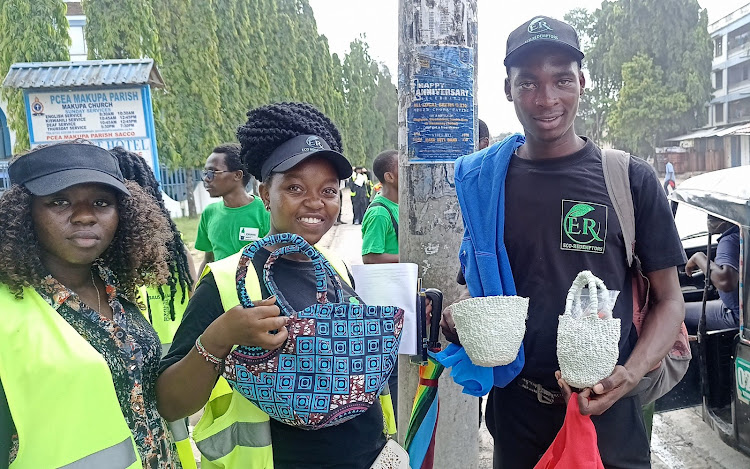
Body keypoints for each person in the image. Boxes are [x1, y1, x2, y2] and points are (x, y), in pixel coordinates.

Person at [440, 16, 686, 468]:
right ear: (508, 89)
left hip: (610, 415)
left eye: (562, 80)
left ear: (582, 83)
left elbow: (670, 299)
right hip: (518, 413)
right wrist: (458, 317)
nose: (546, 98)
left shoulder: (628, 179)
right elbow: (481, 287)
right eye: (528, 82)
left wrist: (628, 377)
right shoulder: (487, 185)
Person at [156, 102, 393, 469]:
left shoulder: (335, 267)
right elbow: (170, 402)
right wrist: (221, 336)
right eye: (296, 187)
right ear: (266, 194)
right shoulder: (225, 281)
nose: (315, 202)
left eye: (329, 190)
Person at [0, 141, 179, 468]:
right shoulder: (6, 310)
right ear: (24, 214)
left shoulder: (117, 289)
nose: (84, 216)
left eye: (101, 202)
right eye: (59, 201)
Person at [111, 147, 199, 469]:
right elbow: (192, 293)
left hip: (137, 358)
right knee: (175, 434)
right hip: (173, 354)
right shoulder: (172, 244)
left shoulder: (114, 251)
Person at [195, 143, 270, 274]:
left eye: (212, 172)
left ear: (237, 175)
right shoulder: (209, 213)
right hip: (221, 291)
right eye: (205, 173)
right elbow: (208, 260)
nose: (206, 179)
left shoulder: (265, 212)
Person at [684, 215, 740, 333]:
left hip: (738, 316)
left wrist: (698, 258)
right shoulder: (743, 234)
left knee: (675, 311)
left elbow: (726, 281)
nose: (708, 220)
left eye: (712, 216)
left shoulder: (730, 240)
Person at [362, 150, 399, 265]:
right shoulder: (379, 213)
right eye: (403, 167)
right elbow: (370, 258)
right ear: (389, 177)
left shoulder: (398, 204)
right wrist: (408, 257)